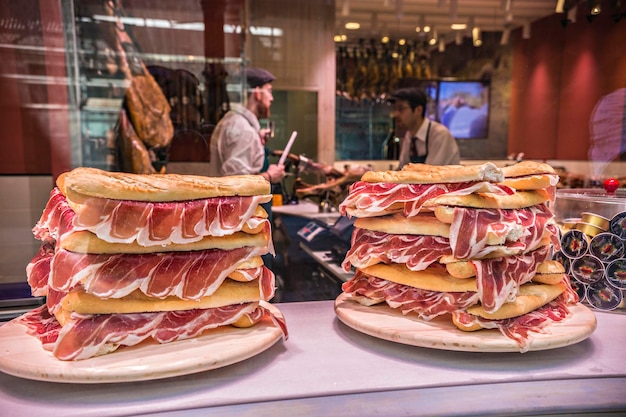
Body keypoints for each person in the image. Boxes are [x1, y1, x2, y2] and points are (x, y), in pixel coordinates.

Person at [209, 67, 285, 184]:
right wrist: (269, 176)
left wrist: (256, 137)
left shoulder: (235, 121)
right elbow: (236, 183)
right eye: (269, 91)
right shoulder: (244, 130)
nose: (272, 98)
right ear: (257, 93)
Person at [391, 87, 460, 168]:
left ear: (418, 110)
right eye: (394, 109)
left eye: (401, 109)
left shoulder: (440, 135)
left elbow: (430, 174)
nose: (395, 114)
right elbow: (402, 169)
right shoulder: (409, 135)